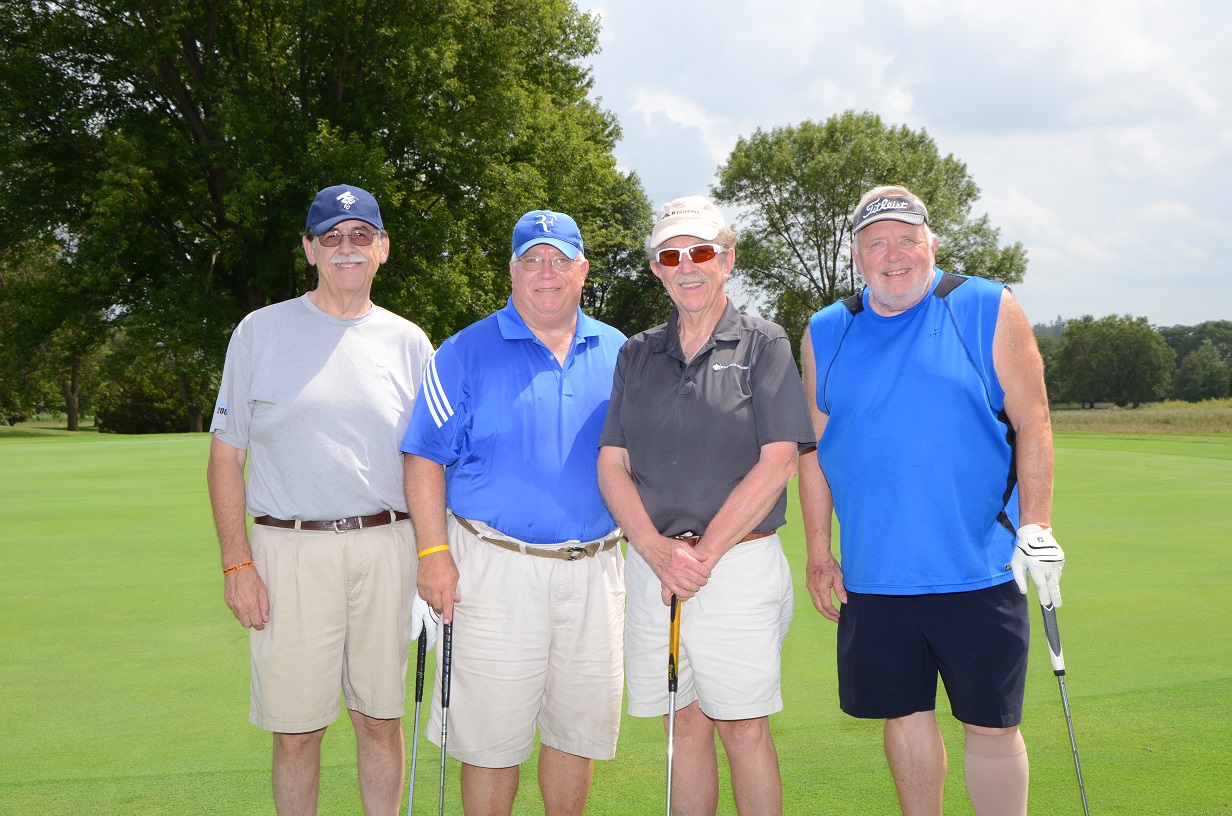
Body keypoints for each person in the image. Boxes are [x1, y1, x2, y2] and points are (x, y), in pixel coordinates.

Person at [798, 185, 1064, 816]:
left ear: (931, 244)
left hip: (978, 562)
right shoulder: (826, 328)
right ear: (858, 254)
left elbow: (1035, 420)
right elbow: (814, 451)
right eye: (876, 243)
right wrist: (817, 550)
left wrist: (1038, 526)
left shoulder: (984, 305)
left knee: (992, 723)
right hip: (876, 573)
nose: (894, 255)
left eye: (907, 239)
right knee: (904, 715)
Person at [207, 184, 435, 816]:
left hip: (387, 546)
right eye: (330, 237)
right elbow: (227, 454)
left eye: (361, 235)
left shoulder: (410, 342)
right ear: (308, 248)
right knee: (297, 731)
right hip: (288, 549)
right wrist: (236, 561)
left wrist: (434, 556)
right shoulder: (260, 331)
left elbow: (430, 461)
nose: (346, 248)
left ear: (383, 249)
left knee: (380, 721)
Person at [401, 210, 627, 816]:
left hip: (595, 569)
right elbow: (422, 456)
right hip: (494, 570)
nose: (546, 272)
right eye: (533, 259)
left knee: (574, 735)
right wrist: (432, 553)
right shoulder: (464, 351)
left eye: (559, 260)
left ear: (582, 270)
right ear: (512, 270)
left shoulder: (620, 351)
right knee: (490, 743)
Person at [597, 196, 815, 815]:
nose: (687, 266)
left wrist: (701, 556)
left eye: (701, 252)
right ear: (657, 269)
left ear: (727, 259)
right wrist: (659, 552)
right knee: (683, 723)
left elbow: (778, 461)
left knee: (743, 728)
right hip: (654, 568)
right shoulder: (636, 352)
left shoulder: (763, 342)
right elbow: (611, 464)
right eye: (672, 255)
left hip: (735, 566)